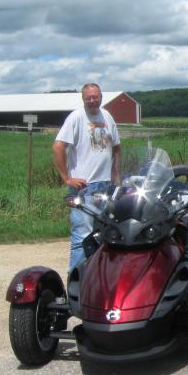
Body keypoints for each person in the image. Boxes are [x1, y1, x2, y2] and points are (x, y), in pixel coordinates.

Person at [53, 83, 121, 271]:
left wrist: (116, 174)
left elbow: (116, 147)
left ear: (101, 97)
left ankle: (97, 279)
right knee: (82, 238)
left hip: (106, 186)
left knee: (104, 235)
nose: (92, 101)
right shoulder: (76, 118)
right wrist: (67, 178)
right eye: (88, 98)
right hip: (84, 187)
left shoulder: (107, 116)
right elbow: (58, 146)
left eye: (95, 97)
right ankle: (76, 282)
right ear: (83, 99)